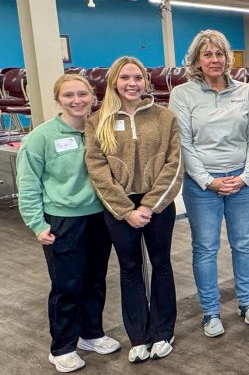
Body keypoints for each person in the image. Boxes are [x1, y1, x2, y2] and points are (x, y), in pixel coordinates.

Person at [17, 74, 121, 373]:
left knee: (95, 280)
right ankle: (61, 347)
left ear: (93, 96)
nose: (77, 100)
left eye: (83, 94)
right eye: (69, 96)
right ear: (58, 100)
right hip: (62, 221)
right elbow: (28, 184)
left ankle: (91, 334)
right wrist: (37, 224)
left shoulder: (99, 131)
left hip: (99, 217)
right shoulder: (42, 137)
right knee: (67, 285)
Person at [85, 56, 183, 363]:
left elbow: (174, 164)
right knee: (129, 270)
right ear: (115, 81)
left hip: (157, 204)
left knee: (161, 266)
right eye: (126, 77)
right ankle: (138, 336)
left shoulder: (165, 117)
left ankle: (164, 332)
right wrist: (126, 210)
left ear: (146, 81)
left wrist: (149, 205)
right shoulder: (97, 121)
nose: (132, 83)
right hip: (119, 208)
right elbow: (97, 170)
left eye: (138, 77)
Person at [169, 30, 249, 338]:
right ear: (196, 59)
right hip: (202, 185)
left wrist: (247, 176)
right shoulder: (182, 94)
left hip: (242, 180)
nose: (214, 60)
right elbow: (184, 144)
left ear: (228, 58)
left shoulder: (245, 91)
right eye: (207, 54)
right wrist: (209, 181)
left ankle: (247, 302)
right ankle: (210, 311)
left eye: (220, 54)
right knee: (206, 248)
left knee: (244, 244)